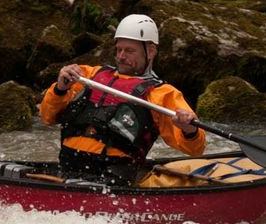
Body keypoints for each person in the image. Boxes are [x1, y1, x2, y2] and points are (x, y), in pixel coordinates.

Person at [38, 14, 206, 184]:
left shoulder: (162, 94)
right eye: (119, 49)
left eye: (129, 51)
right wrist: (60, 89)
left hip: (113, 181)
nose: (121, 56)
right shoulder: (87, 75)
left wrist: (188, 129)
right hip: (67, 171)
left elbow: (196, 149)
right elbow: (47, 117)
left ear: (151, 52)